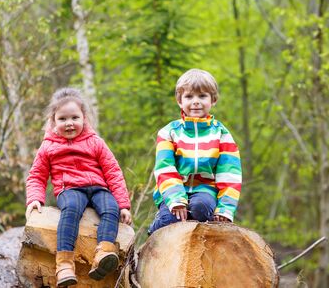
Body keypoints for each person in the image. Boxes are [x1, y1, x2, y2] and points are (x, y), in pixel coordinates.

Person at [25, 88, 132, 287]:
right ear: (53, 121)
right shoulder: (48, 146)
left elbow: (113, 172)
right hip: (70, 189)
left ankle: (104, 253)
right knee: (71, 209)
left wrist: (123, 204)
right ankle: (64, 264)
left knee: (111, 209)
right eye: (63, 119)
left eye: (75, 117)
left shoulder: (95, 142)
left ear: (84, 118)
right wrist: (34, 199)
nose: (69, 123)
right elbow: (37, 175)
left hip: (99, 187)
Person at [148, 68, 242, 235]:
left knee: (201, 208)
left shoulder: (221, 134)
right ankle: (151, 236)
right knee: (170, 219)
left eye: (202, 96)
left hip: (205, 190)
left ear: (213, 100)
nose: (196, 101)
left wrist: (225, 209)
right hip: (173, 192)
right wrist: (176, 200)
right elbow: (165, 168)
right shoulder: (169, 132)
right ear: (179, 101)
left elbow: (230, 175)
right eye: (189, 97)